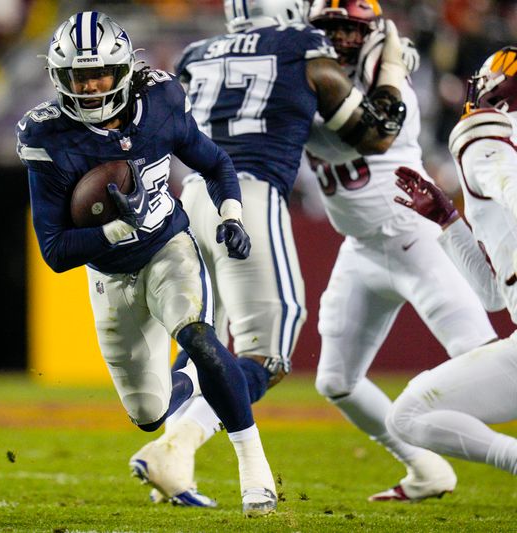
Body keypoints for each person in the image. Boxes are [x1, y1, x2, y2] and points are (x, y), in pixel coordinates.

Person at [129, 0, 412, 507]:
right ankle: (175, 448)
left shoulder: (196, 53)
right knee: (270, 352)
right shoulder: (301, 48)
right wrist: (390, 69)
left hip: (191, 194)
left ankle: (174, 473)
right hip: (250, 195)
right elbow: (378, 132)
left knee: (199, 336)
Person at [16, 11, 278, 517]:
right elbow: (53, 251)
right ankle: (185, 397)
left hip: (167, 248)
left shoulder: (161, 100)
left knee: (198, 334)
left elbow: (216, 163)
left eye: (99, 74)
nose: (90, 87)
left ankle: (254, 467)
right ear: (58, 78)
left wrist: (232, 215)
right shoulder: (46, 136)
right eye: (78, 77)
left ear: (125, 70)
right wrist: (118, 228)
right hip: (110, 276)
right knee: (149, 412)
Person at [303, 0, 499, 502]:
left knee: (484, 362)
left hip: (413, 236)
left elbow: (370, 133)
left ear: (373, 35)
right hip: (362, 247)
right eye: (332, 29)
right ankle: (426, 468)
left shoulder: (389, 84)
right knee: (337, 381)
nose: (342, 40)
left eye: (352, 30)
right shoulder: (312, 80)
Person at [385, 45, 517, 477]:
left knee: (410, 415)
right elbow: (493, 295)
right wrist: (447, 220)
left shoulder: (486, 134)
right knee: (407, 415)